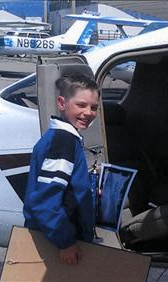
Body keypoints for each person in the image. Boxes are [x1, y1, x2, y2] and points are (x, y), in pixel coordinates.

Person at [23, 73, 100, 265]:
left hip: (56, 238)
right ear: (62, 103)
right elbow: (45, 202)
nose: (89, 112)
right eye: (81, 105)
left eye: (94, 107)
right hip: (54, 242)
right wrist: (65, 242)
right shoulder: (63, 143)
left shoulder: (65, 139)